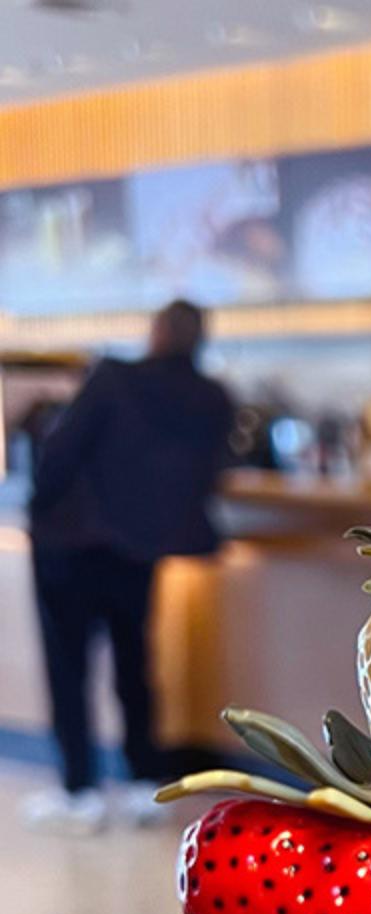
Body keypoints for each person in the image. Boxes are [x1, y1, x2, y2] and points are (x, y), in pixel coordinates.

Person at [23, 300, 234, 834]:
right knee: (135, 664)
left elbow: (59, 455)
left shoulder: (113, 378)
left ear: (157, 331)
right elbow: (209, 474)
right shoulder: (213, 398)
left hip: (69, 543)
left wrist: (38, 507)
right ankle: (144, 782)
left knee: (69, 670)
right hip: (139, 551)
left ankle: (80, 791)